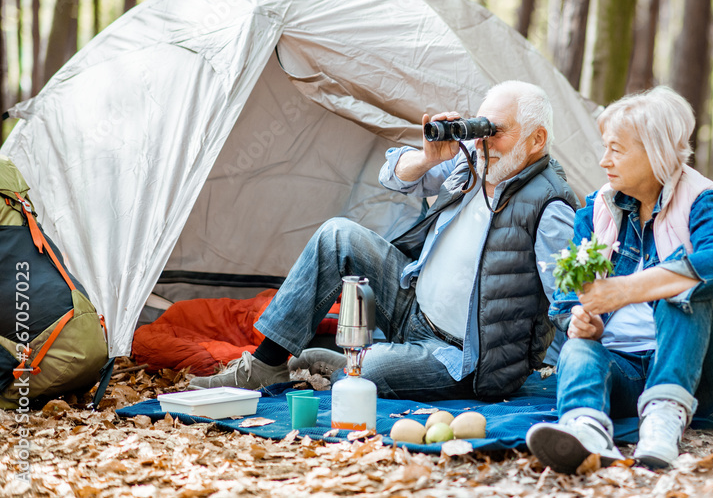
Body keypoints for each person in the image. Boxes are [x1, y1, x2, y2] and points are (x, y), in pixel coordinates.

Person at [191, 81, 578, 401]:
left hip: (463, 358)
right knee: (337, 234)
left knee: (368, 371)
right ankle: (264, 365)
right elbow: (392, 174)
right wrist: (428, 159)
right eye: (481, 128)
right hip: (413, 310)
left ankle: (349, 363)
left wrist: (592, 356)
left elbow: (568, 298)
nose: (483, 141)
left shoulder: (549, 205)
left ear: (536, 139)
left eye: (497, 132)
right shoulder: (471, 163)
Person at [526, 86, 713, 472]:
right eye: (605, 147)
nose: (604, 160)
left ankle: (663, 418)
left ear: (656, 152)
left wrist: (625, 290)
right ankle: (586, 428)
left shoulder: (703, 199)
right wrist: (580, 319)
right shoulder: (598, 208)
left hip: (699, 376)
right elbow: (568, 293)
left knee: (681, 290)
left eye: (616, 150)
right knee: (577, 350)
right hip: (621, 367)